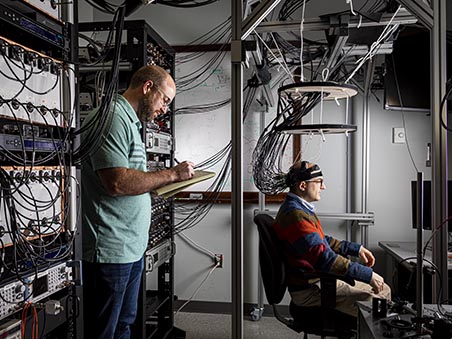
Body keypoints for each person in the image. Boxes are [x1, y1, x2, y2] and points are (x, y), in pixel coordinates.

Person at [81, 65, 194, 339]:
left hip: (129, 247)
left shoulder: (130, 121)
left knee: (124, 324)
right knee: (104, 330)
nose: (165, 109)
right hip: (110, 249)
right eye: (165, 100)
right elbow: (117, 182)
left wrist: (162, 184)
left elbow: (134, 178)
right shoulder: (111, 118)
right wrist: (171, 174)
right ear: (147, 88)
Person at [273, 160, 391, 317]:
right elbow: (323, 258)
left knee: (384, 290)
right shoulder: (295, 215)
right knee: (375, 304)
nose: (323, 187)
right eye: (319, 182)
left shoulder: (299, 209)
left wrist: (356, 249)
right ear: (302, 186)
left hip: (319, 280)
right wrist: (367, 274)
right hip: (311, 289)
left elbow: (322, 240)